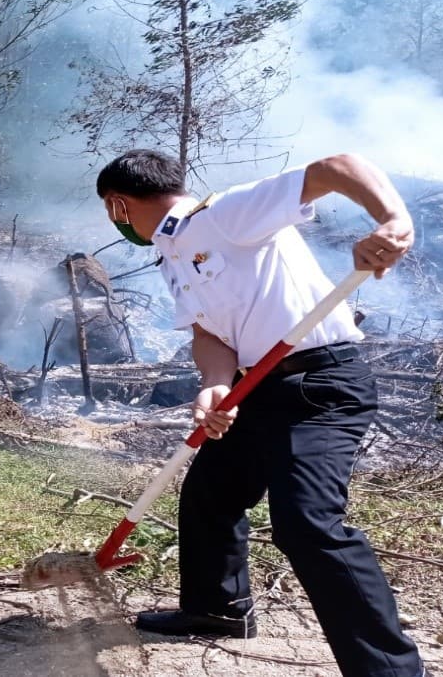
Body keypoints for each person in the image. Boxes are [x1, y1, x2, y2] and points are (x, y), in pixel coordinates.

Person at [96, 150, 424, 677]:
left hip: (319, 385)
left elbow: (338, 167)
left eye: (113, 213)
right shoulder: (173, 255)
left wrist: (394, 221)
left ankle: (391, 670)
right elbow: (209, 334)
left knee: (306, 523)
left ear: (118, 204)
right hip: (253, 386)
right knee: (210, 493)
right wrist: (215, 386)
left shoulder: (225, 214)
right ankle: (218, 610)